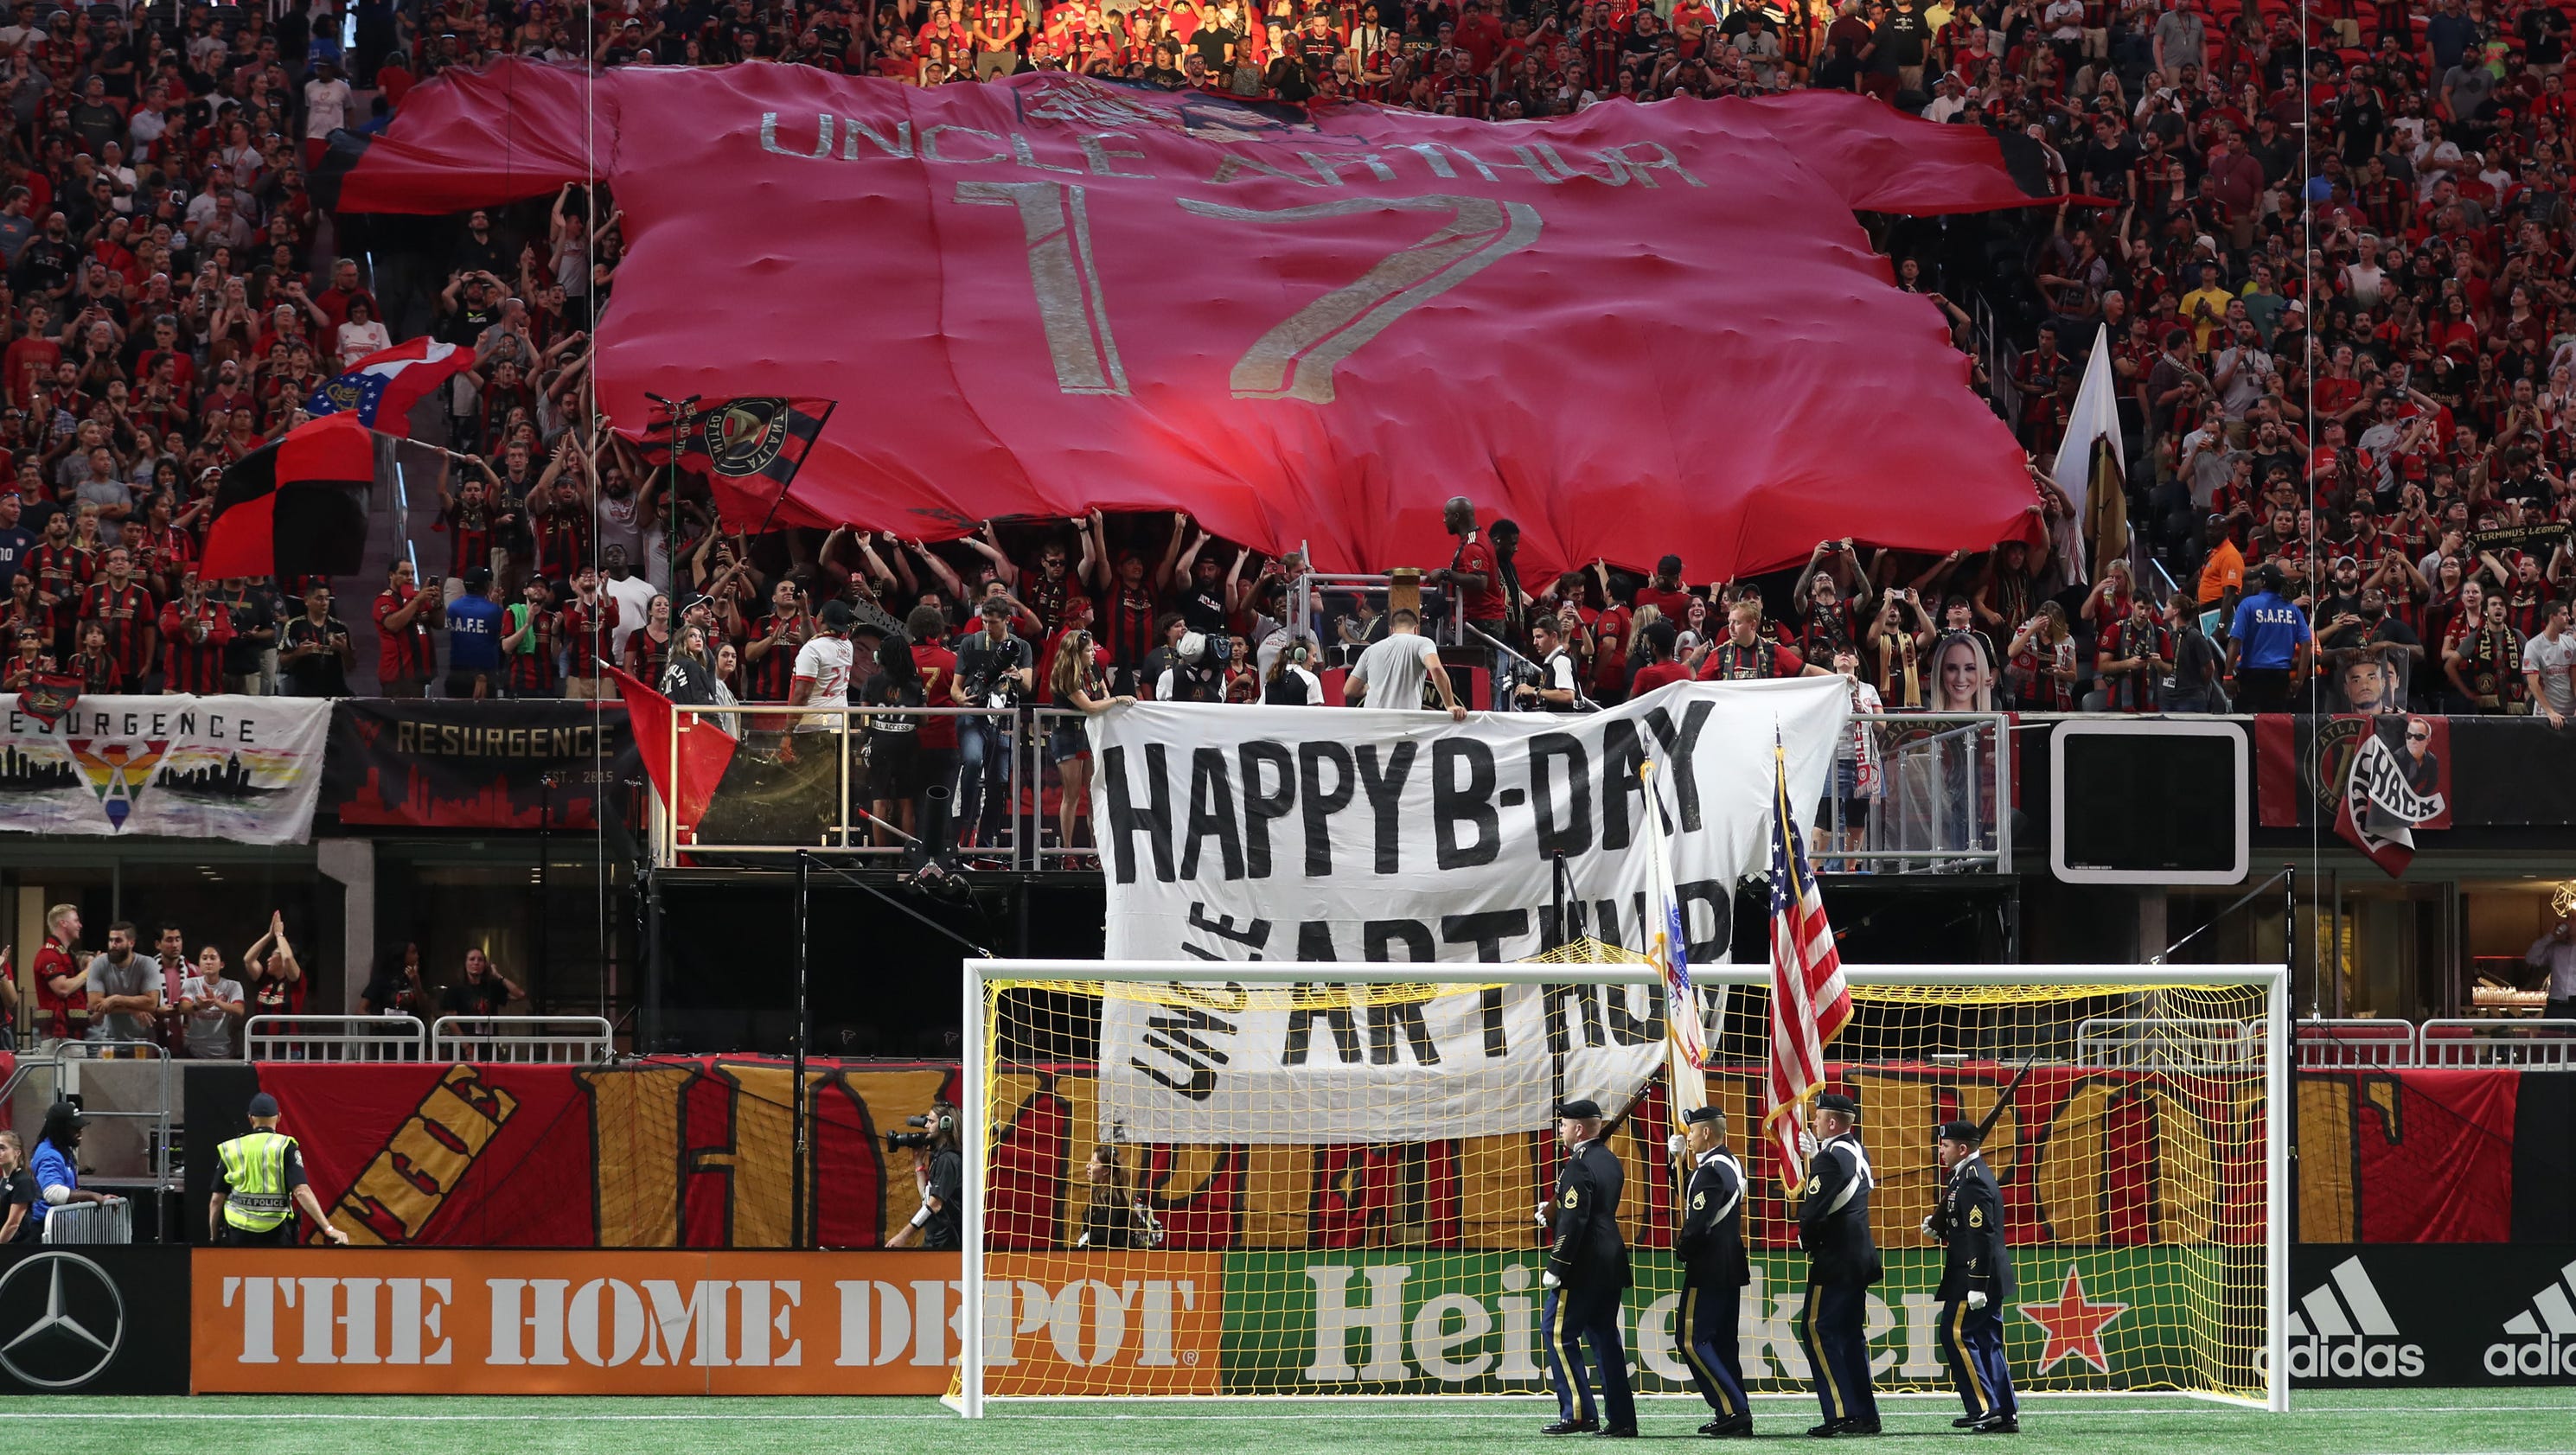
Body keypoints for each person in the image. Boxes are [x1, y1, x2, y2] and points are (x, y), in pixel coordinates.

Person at [1537, 1097, 1635, 1438]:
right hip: (1610, 1260)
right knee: (1606, 1339)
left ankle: (1578, 1413)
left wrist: (1557, 1264)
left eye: (1563, 1124)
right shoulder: (1609, 1159)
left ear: (1579, 1128)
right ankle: (1622, 1419)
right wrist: (1554, 1209)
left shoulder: (1578, 1164)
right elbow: (1584, 1208)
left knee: (1556, 1333)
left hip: (1583, 1264)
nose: (1560, 1130)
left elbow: (1576, 1220)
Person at [1796, 1091, 1882, 1437]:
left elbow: (1813, 1211)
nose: (1813, 1123)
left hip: (1835, 1258)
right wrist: (1817, 1154)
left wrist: (1806, 1240)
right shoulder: (1856, 1151)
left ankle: (1841, 1412)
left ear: (1832, 1123)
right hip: (1858, 1256)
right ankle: (1864, 1413)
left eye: (1818, 1118)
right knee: (1848, 1336)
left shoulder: (1830, 1159)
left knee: (1818, 1329)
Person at [1666, 1104, 1752, 1438]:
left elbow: (1697, 1222)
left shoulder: (1711, 1171)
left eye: (1691, 1132)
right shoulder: (1729, 1163)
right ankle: (1736, 1411)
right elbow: (1691, 1191)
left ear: (1706, 1132)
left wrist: (1682, 1249)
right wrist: (1672, 1160)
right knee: (1723, 1344)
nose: (1688, 1138)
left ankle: (1733, 1410)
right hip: (1729, 1265)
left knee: (1691, 1339)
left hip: (1709, 1266)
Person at [1928, 1119, 2018, 1433]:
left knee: (1956, 1335)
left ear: (1962, 1148)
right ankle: (2005, 1413)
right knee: (1987, 1341)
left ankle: (1984, 1407)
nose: (1941, 1150)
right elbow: (1963, 1223)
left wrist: (1977, 1284)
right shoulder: (1965, 1176)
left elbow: (1981, 1235)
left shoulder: (1973, 1180)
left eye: (1946, 1145)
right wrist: (1940, 1227)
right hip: (1980, 1273)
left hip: (1974, 1275)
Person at [209, 1092, 350, 1246]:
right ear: (279, 1117)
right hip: (276, 1233)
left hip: (238, 1234)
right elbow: (301, 1191)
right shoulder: (285, 1146)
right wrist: (328, 1229)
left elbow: (217, 1200)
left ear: (250, 1118)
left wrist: (214, 1237)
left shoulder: (232, 1148)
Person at [1343, 607, 1467, 720]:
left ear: (1392, 630)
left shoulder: (1370, 650)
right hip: (1404, 725)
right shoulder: (1422, 643)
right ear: (1417, 629)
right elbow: (1435, 668)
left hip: (1372, 724)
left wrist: (1367, 687)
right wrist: (1450, 705)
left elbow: (1349, 690)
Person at [2226, 565, 2311, 712]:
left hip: (2252, 676)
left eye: (2256, 580)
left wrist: (2227, 676)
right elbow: (2307, 643)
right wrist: (2299, 679)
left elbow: (2235, 640)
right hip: (2280, 678)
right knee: (2274, 727)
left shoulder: (2248, 604)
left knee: (2249, 727)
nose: (2253, 584)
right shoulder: (2292, 610)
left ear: (2263, 582)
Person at [30, 1101, 116, 1236]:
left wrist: (98, 1199)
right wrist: (91, 1195)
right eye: (74, 1128)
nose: (80, 1131)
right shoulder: (49, 1155)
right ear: (59, 1129)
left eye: (80, 1127)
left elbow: (68, 1190)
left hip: (61, 1227)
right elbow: (54, 1193)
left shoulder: (63, 1150)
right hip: (47, 1229)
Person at [887, 1101, 963, 1251]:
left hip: (947, 1244)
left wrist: (903, 1236)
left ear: (945, 1125)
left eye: (931, 1121)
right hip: (935, 1240)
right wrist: (918, 1164)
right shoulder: (938, 1157)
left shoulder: (948, 1160)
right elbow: (927, 1199)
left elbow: (934, 1205)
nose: (926, 1126)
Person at [85, 919, 161, 1047]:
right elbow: (95, 1004)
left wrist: (116, 999)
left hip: (142, 1039)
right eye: (110, 940)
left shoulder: (147, 964)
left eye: (118, 941)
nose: (113, 945)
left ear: (131, 943)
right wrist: (133, 1010)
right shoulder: (99, 964)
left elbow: (152, 1003)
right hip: (108, 1038)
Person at [1076, 1143, 1161, 1250]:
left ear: (1106, 1171)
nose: (1087, 1166)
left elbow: (1101, 1237)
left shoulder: (1109, 1198)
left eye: (1093, 1164)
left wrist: (1082, 1249)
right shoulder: (1111, 1194)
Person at [176, 941, 247, 1060]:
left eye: (213, 958)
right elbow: (183, 1007)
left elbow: (239, 1010)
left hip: (223, 1051)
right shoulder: (191, 983)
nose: (208, 962)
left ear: (222, 964)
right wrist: (198, 1006)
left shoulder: (233, 986)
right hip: (193, 1051)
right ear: (199, 963)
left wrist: (216, 1001)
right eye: (204, 958)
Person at [2528, 913, 2576, 1023]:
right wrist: (2551, 936)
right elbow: (2531, 958)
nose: (2569, 923)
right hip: (2556, 1005)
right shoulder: (2555, 948)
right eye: (2567, 918)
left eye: (2573, 919)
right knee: (2551, 1038)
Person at [0, 1133, 34, 1243]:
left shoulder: (23, 1181)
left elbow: (13, 1224)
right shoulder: (2, 1180)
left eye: (2, 1148)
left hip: (16, 1247)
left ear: (17, 1153)